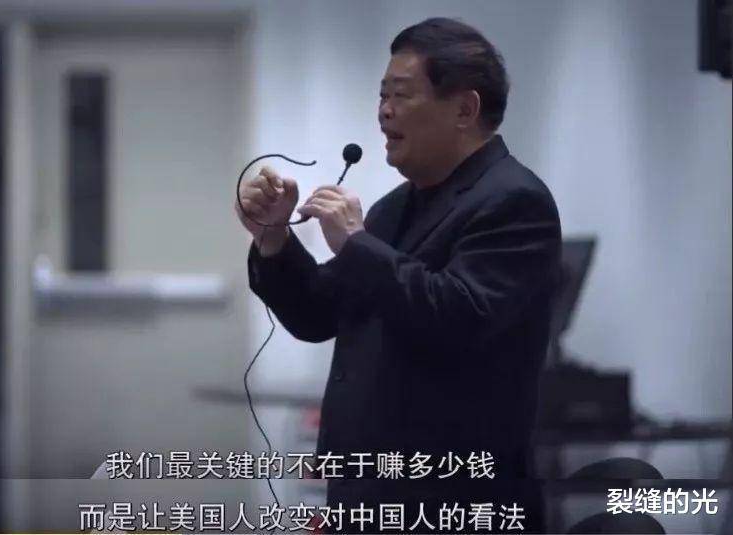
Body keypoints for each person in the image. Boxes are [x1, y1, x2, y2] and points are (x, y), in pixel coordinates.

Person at [235, 17, 561, 534]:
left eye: (401, 95)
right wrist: (274, 237)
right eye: (382, 95)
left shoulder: (514, 201)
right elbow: (318, 313)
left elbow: (458, 317)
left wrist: (356, 243)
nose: (384, 111)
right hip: (371, 494)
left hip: (453, 502)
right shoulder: (396, 207)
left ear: (464, 109)